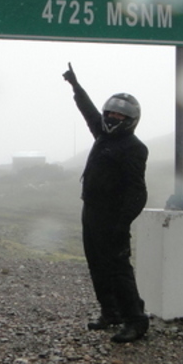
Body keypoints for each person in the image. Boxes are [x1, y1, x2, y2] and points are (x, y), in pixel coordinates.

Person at [62, 62, 150, 343]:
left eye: (119, 115)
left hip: (113, 218)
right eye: (110, 112)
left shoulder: (135, 148)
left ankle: (135, 320)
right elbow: (89, 112)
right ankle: (110, 312)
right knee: (96, 264)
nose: (112, 117)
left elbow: (138, 191)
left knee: (119, 268)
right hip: (91, 212)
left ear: (131, 120)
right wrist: (76, 87)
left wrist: (121, 223)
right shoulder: (102, 133)